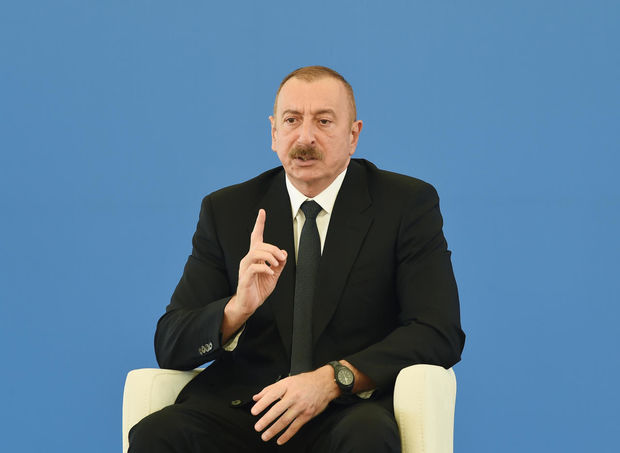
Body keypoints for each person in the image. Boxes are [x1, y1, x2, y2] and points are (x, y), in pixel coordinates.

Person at [129, 65, 465, 453]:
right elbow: (170, 344)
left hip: (346, 409)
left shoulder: (405, 205)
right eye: (292, 120)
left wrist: (334, 378)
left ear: (353, 135)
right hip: (245, 409)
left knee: (369, 436)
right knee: (158, 434)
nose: (305, 137)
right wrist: (237, 309)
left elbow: (438, 331)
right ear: (274, 133)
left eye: (324, 121)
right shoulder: (228, 210)